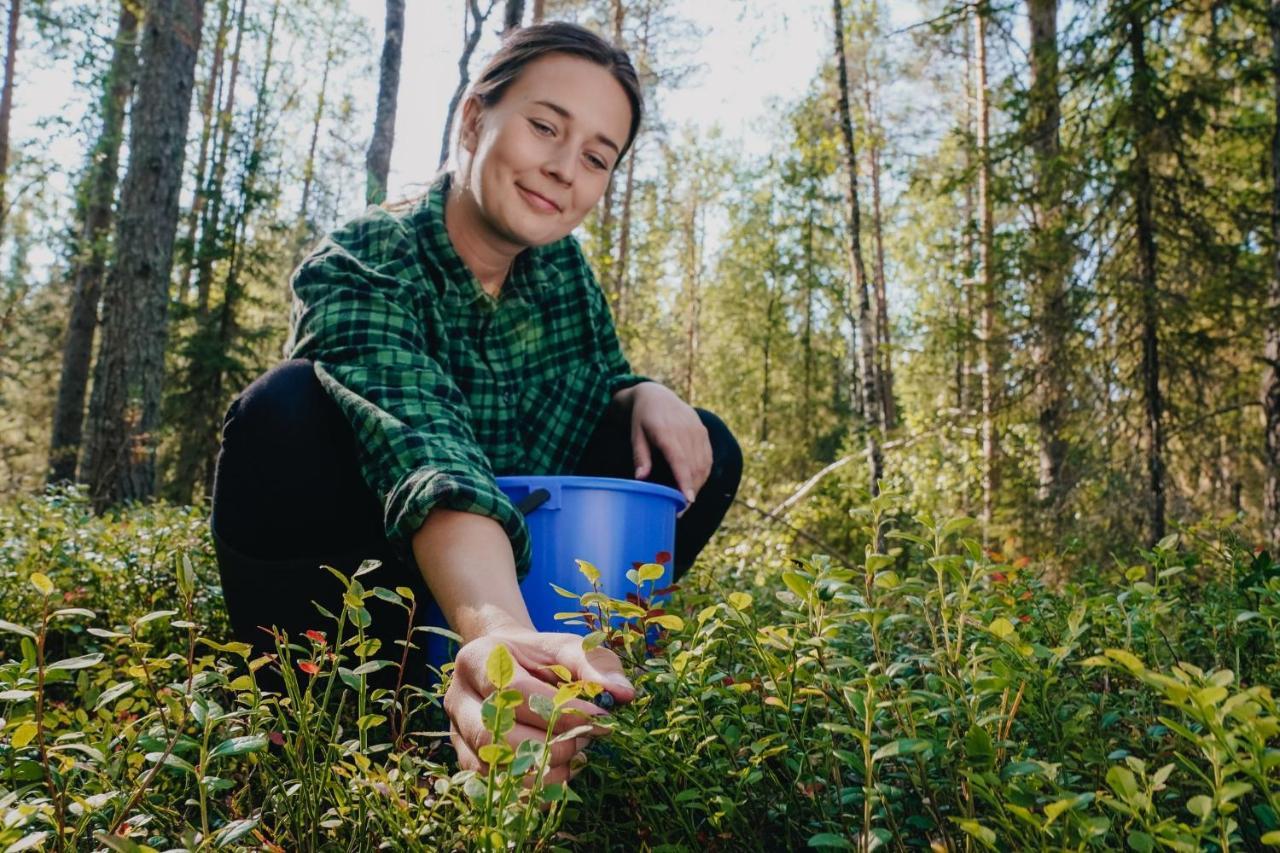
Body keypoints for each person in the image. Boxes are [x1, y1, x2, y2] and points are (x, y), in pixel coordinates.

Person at [209, 22, 742, 787]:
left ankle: (568, 687)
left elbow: (596, 378)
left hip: (515, 572)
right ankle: (338, 716)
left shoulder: (562, 276)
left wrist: (642, 391)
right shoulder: (365, 258)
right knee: (284, 408)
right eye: (544, 126)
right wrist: (496, 629)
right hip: (386, 582)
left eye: (596, 157)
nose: (563, 168)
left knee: (702, 442)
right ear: (472, 119)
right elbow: (425, 449)